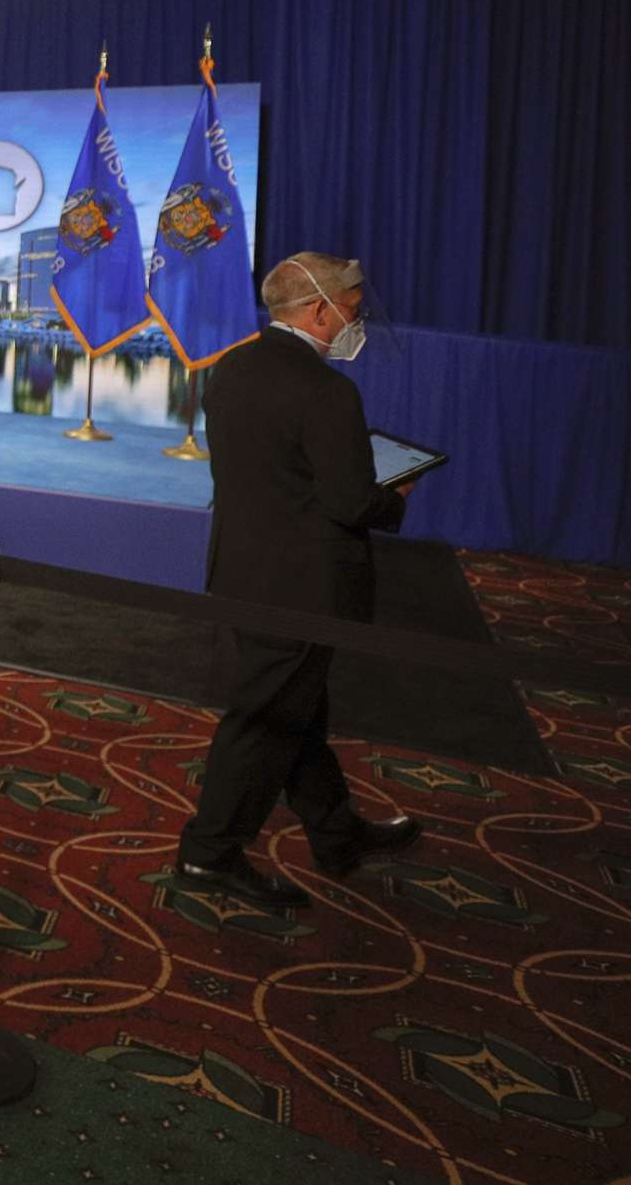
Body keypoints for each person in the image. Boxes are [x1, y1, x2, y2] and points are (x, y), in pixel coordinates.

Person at [174, 252, 425, 908]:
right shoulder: (328, 390)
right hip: (303, 587)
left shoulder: (229, 368)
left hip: (240, 570)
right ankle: (208, 855)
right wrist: (397, 493)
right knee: (261, 719)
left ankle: (337, 835)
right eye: (354, 305)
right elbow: (348, 501)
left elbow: (267, 473)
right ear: (319, 309)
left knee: (298, 710)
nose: (358, 316)